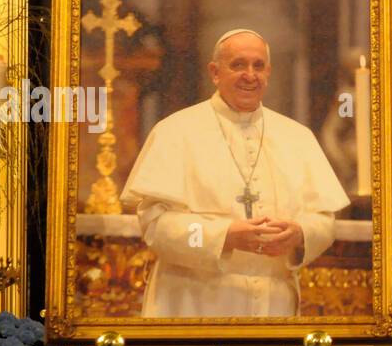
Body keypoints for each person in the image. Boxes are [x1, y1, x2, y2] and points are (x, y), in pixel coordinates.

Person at [120, 29, 350, 317]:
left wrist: (300, 233)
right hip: (191, 301)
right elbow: (155, 226)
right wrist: (225, 235)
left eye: (258, 65)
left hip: (274, 303)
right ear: (215, 72)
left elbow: (324, 219)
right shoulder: (175, 131)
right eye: (238, 65)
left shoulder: (297, 137)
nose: (250, 75)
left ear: (269, 72)